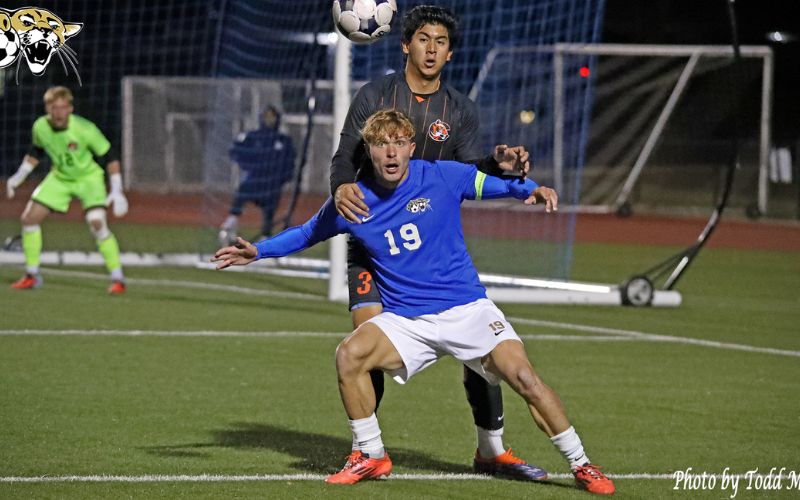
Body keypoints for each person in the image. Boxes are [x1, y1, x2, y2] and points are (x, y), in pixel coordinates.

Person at [213, 109, 615, 495]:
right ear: (368, 150)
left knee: (525, 378)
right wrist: (258, 252)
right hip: (408, 321)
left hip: (467, 310)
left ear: (411, 147)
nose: (391, 152)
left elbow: (494, 185)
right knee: (349, 355)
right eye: (381, 144)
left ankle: (581, 463)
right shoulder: (354, 200)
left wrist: (533, 189)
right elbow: (305, 233)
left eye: (400, 142)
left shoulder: (441, 176)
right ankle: (369, 453)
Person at [329, 4, 543, 480]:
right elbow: (343, 156)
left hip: (433, 250)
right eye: (422, 39)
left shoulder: (460, 110)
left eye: (440, 42)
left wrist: (501, 164)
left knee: (480, 348)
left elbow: (470, 175)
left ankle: (491, 450)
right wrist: (341, 187)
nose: (431, 49)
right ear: (405, 44)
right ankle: (368, 450)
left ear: (449, 53)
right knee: (365, 346)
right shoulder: (375, 94)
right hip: (373, 246)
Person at [5, 86, 129, 294]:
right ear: (47, 109)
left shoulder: (85, 129)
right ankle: (31, 275)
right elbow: (36, 151)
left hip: (88, 178)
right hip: (60, 177)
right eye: (54, 108)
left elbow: (110, 156)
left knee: (97, 223)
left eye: (63, 108)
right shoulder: (40, 127)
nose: (59, 113)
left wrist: (117, 190)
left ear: (70, 109)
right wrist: (18, 177)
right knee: (29, 218)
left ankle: (118, 278)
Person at [218, 105, 296, 246]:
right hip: (253, 181)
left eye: (272, 117)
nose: (269, 120)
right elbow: (235, 149)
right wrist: (247, 164)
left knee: (269, 211)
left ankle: (265, 238)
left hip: (271, 185)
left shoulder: (283, 140)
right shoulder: (253, 136)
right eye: (266, 117)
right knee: (241, 195)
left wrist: (283, 178)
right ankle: (230, 225)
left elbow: (290, 162)